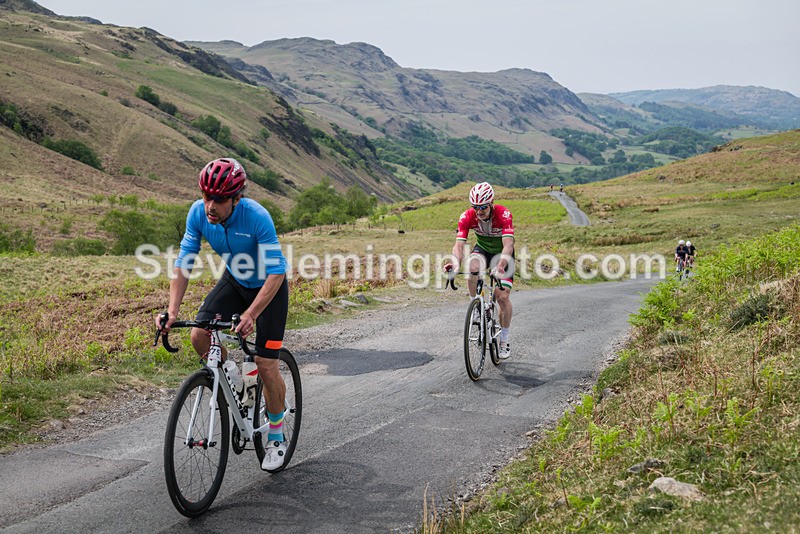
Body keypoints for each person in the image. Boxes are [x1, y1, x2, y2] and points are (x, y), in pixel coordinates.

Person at [155, 157, 290, 471]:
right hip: (236, 280)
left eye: (218, 200)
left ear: (236, 199)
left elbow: (277, 273)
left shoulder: (257, 217)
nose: (210, 206)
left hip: (269, 289)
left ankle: (277, 436)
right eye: (206, 197)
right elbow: (184, 262)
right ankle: (231, 374)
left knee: (267, 364)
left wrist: (251, 314)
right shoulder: (197, 214)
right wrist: (172, 311)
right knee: (199, 334)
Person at [443, 182, 515, 359]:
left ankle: (504, 340)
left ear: (491, 203)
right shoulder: (467, 216)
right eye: (475, 207)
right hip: (482, 249)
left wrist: (500, 266)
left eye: (483, 207)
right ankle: (475, 305)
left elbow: (508, 245)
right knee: (472, 266)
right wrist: (454, 263)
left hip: (502, 254)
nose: (479, 211)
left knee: (502, 297)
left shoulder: (503, 214)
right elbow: (458, 246)